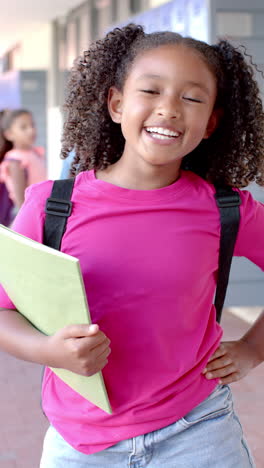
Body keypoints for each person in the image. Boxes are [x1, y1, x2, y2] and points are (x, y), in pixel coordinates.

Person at [0, 24, 263, 468]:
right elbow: (4, 312)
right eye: (151, 91)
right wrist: (48, 351)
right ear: (117, 104)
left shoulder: (224, 208)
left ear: (211, 122)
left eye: (192, 98)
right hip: (79, 441)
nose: (169, 109)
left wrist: (254, 349)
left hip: (198, 431)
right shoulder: (51, 206)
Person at [0, 109, 47, 212]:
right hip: (30, 213)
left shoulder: (35, 153)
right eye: (23, 127)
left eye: (32, 125)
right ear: (9, 134)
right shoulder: (15, 160)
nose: (31, 130)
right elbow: (21, 201)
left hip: (43, 208)